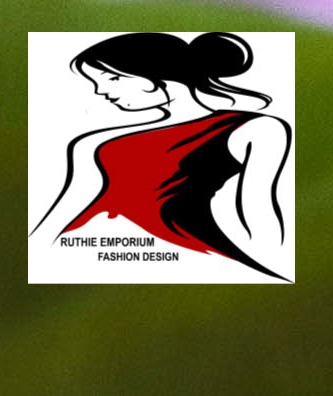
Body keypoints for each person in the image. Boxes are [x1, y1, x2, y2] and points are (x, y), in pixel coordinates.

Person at [29, 31, 292, 280]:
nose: (101, 91)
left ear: (154, 75)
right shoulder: (93, 142)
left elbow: (259, 208)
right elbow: (65, 210)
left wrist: (271, 270)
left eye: (112, 78)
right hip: (85, 250)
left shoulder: (256, 128)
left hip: (187, 249)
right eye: (95, 82)